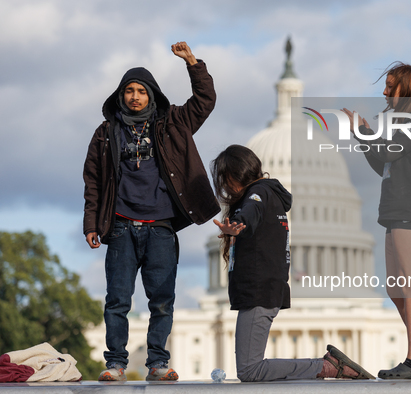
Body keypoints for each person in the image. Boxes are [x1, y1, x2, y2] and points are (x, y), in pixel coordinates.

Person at [83, 41, 219, 381]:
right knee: (117, 300)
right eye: (128, 91)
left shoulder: (173, 123)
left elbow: (205, 101)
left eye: (141, 91)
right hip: (120, 226)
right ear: (120, 96)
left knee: (162, 301)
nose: (134, 97)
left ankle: (157, 364)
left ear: (151, 94)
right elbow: (93, 182)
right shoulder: (105, 134)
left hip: (160, 225)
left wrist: (192, 64)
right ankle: (115, 364)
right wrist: (91, 224)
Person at [211, 144, 374, 382]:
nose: (224, 187)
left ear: (235, 175)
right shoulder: (270, 194)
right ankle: (326, 366)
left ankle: (327, 366)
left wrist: (237, 224)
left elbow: (250, 211)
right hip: (264, 289)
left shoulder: (257, 194)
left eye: (224, 179)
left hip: (258, 290)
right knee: (249, 368)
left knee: (249, 370)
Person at [341, 63, 411, 380]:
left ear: (408, 85)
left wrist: (365, 132)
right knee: (395, 288)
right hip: (397, 207)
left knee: (409, 283)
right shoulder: (408, 120)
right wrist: (364, 136)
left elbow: (387, 152)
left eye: (390, 85)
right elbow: (382, 164)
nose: (385, 92)